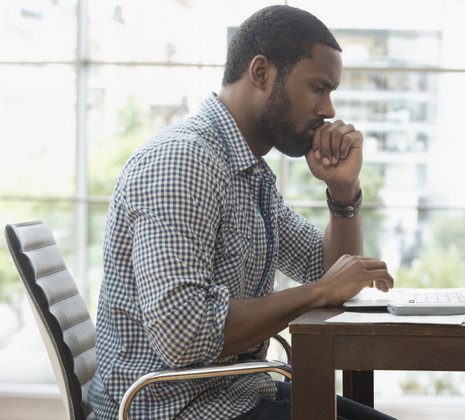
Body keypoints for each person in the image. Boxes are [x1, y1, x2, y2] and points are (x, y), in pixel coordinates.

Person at [90, 5, 395, 419]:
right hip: (174, 409)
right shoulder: (184, 161)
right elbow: (183, 332)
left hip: (236, 392)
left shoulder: (247, 172)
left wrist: (342, 192)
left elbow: (325, 268)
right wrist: (319, 291)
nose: (328, 110)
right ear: (261, 73)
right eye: (318, 88)